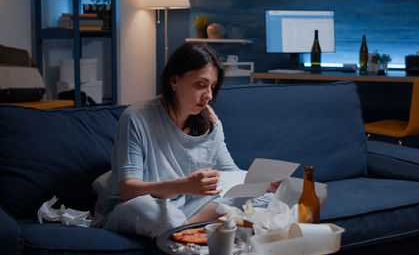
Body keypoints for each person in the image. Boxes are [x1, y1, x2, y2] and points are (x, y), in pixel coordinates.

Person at [92, 42, 279, 249]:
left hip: (191, 206)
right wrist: (184, 185)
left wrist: (264, 183)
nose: (208, 94)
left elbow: (229, 173)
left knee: (268, 199)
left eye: (213, 86)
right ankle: (190, 228)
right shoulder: (137, 117)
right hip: (137, 205)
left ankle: (187, 228)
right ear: (174, 80)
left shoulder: (210, 122)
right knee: (162, 214)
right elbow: (128, 190)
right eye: (201, 84)